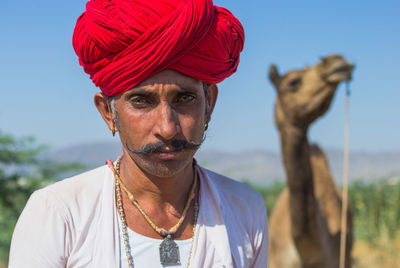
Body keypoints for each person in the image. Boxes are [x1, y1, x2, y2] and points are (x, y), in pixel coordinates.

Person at [9, 0, 268, 267]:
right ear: (108, 113)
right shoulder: (59, 213)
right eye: (142, 102)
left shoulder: (244, 208)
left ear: (210, 103)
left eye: (185, 98)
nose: (167, 128)